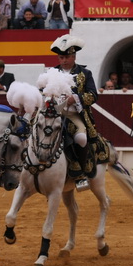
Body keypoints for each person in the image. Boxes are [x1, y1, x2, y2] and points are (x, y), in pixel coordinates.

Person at [50, 34, 99, 189]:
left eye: (66, 57)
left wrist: (76, 98)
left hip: (75, 115)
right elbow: (42, 91)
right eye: (61, 57)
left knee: (81, 138)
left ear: (74, 56)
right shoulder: (52, 72)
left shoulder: (85, 74)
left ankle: (81, 173)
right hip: (54, 114)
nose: (63, 61)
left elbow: (93, 95)